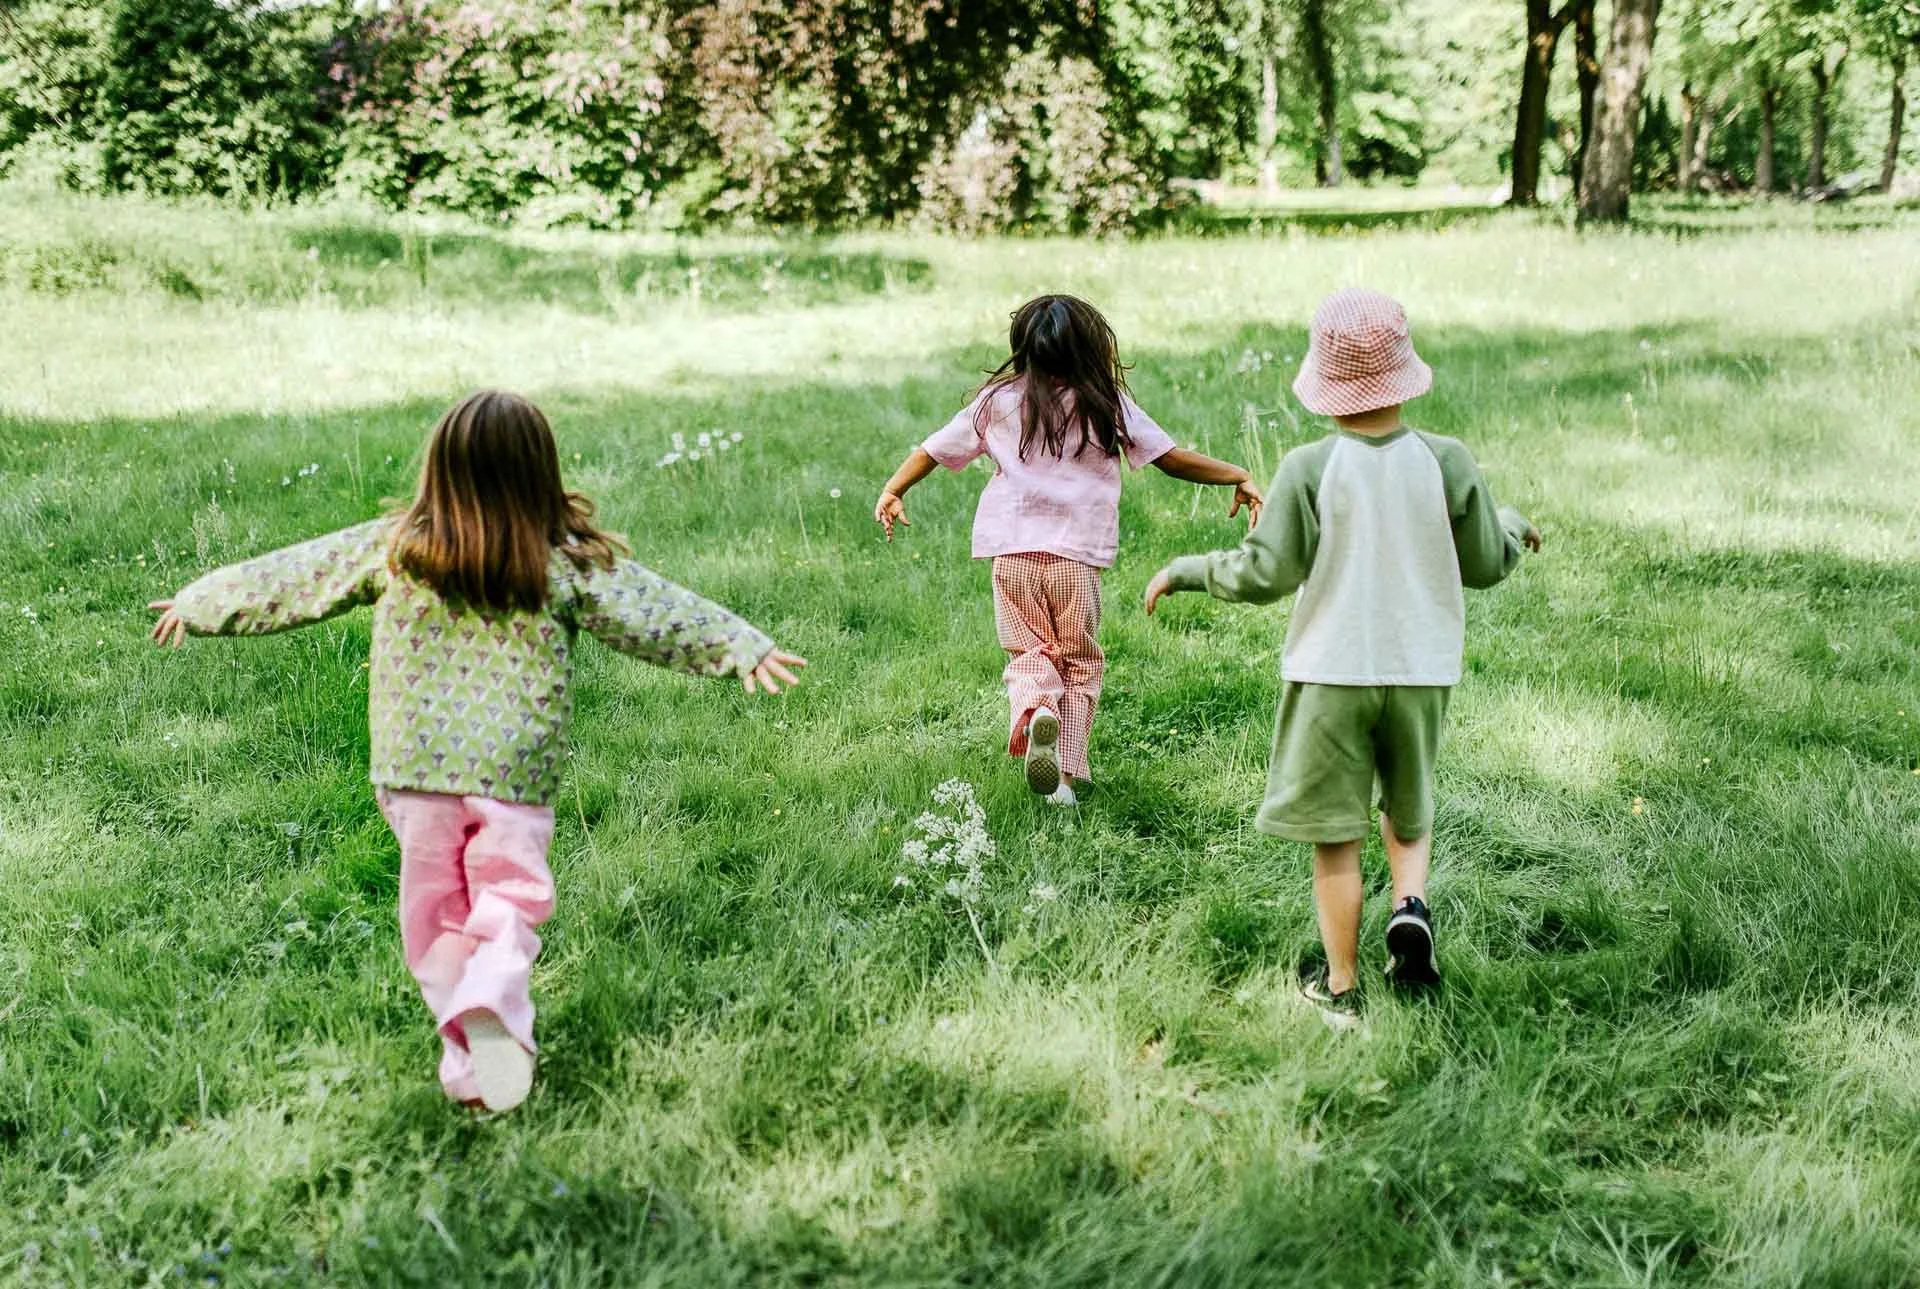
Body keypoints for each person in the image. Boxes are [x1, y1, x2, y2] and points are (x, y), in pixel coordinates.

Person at [148, 390, 805, 1110]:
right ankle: (494, 1000)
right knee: (507, 899)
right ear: (539, 475)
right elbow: (654, 610)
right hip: (514, 772)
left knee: (433, 918)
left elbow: (299, 575)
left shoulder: (400, 548)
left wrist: (201, 601)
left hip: (416, 767)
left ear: (440, 472)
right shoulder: (564, 563)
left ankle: (470, 1061)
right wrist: (741, 646)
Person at [1144, 288, 1539, 1026]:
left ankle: (1343, 986)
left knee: (1335, 837)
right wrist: (1512, 527)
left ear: (1325, 385)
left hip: (1330, 672)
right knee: (1408, 810)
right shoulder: (1446, 459)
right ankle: (1411, 908)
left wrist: (1189, 570)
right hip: (1420, 671)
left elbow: (1267, 572)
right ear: (1403, 373)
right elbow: (1485, 562)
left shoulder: (1307, 465)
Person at [874, 293, 1263, 805]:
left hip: (1011, 558)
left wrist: (893, 489)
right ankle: (1066, 776)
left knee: (1028, 652)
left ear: (1024, 349)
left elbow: (933, 448)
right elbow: (1171, 459)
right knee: (1079, 662)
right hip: (1074, 562)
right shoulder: (1105, 403)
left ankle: (1037, 712)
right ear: (1090, 348)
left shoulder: (997, 402)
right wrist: (1236, 473)